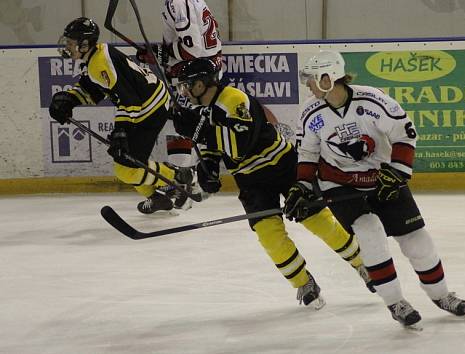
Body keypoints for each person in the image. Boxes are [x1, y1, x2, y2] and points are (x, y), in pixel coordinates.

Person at [284, 50, 465, 326]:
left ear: (328, 77)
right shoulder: (312, 112)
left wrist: (396, 173)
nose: (308, 85)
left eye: (311, 79)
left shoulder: (372, 100)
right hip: (339, 185)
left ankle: (442, 295)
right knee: (369, 231)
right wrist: (302, 186)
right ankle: (396, 303)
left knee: (416, 240)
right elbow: (308, 153)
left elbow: (404, 133)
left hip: (382, 179)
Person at [172, 58, 374, 309]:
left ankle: (362, 263)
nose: (183, 92)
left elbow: (238, 146)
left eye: (186, 86)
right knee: (268, 235)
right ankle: (303, 282)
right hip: (250, 181)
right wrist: (208, 170)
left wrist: (200, 132)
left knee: (318, 221)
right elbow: (211, 146)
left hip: (283, 167)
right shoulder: (201, 110)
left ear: (201, 84)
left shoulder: (234, 100)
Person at [49, 17, 191, 214]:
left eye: (71, 42)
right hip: (147, 104)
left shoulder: (100, 62)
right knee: (125, 163)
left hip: (150, 108)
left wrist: (121, 132)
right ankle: (159, 197)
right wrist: (70, 99)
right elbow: (94, 87)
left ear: (84, 44)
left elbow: (129, 101)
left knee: (127, 167)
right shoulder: (95, 57)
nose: (67, 46)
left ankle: (179, 176)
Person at [136, 0, 223, 210]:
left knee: (184, 124)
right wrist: (160, 53)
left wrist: (162, 53)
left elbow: (192, 49)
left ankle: (182, 190)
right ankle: (185, 182)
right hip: (195, 72)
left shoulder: (179, 2)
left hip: (197, 76)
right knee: (182, 125)